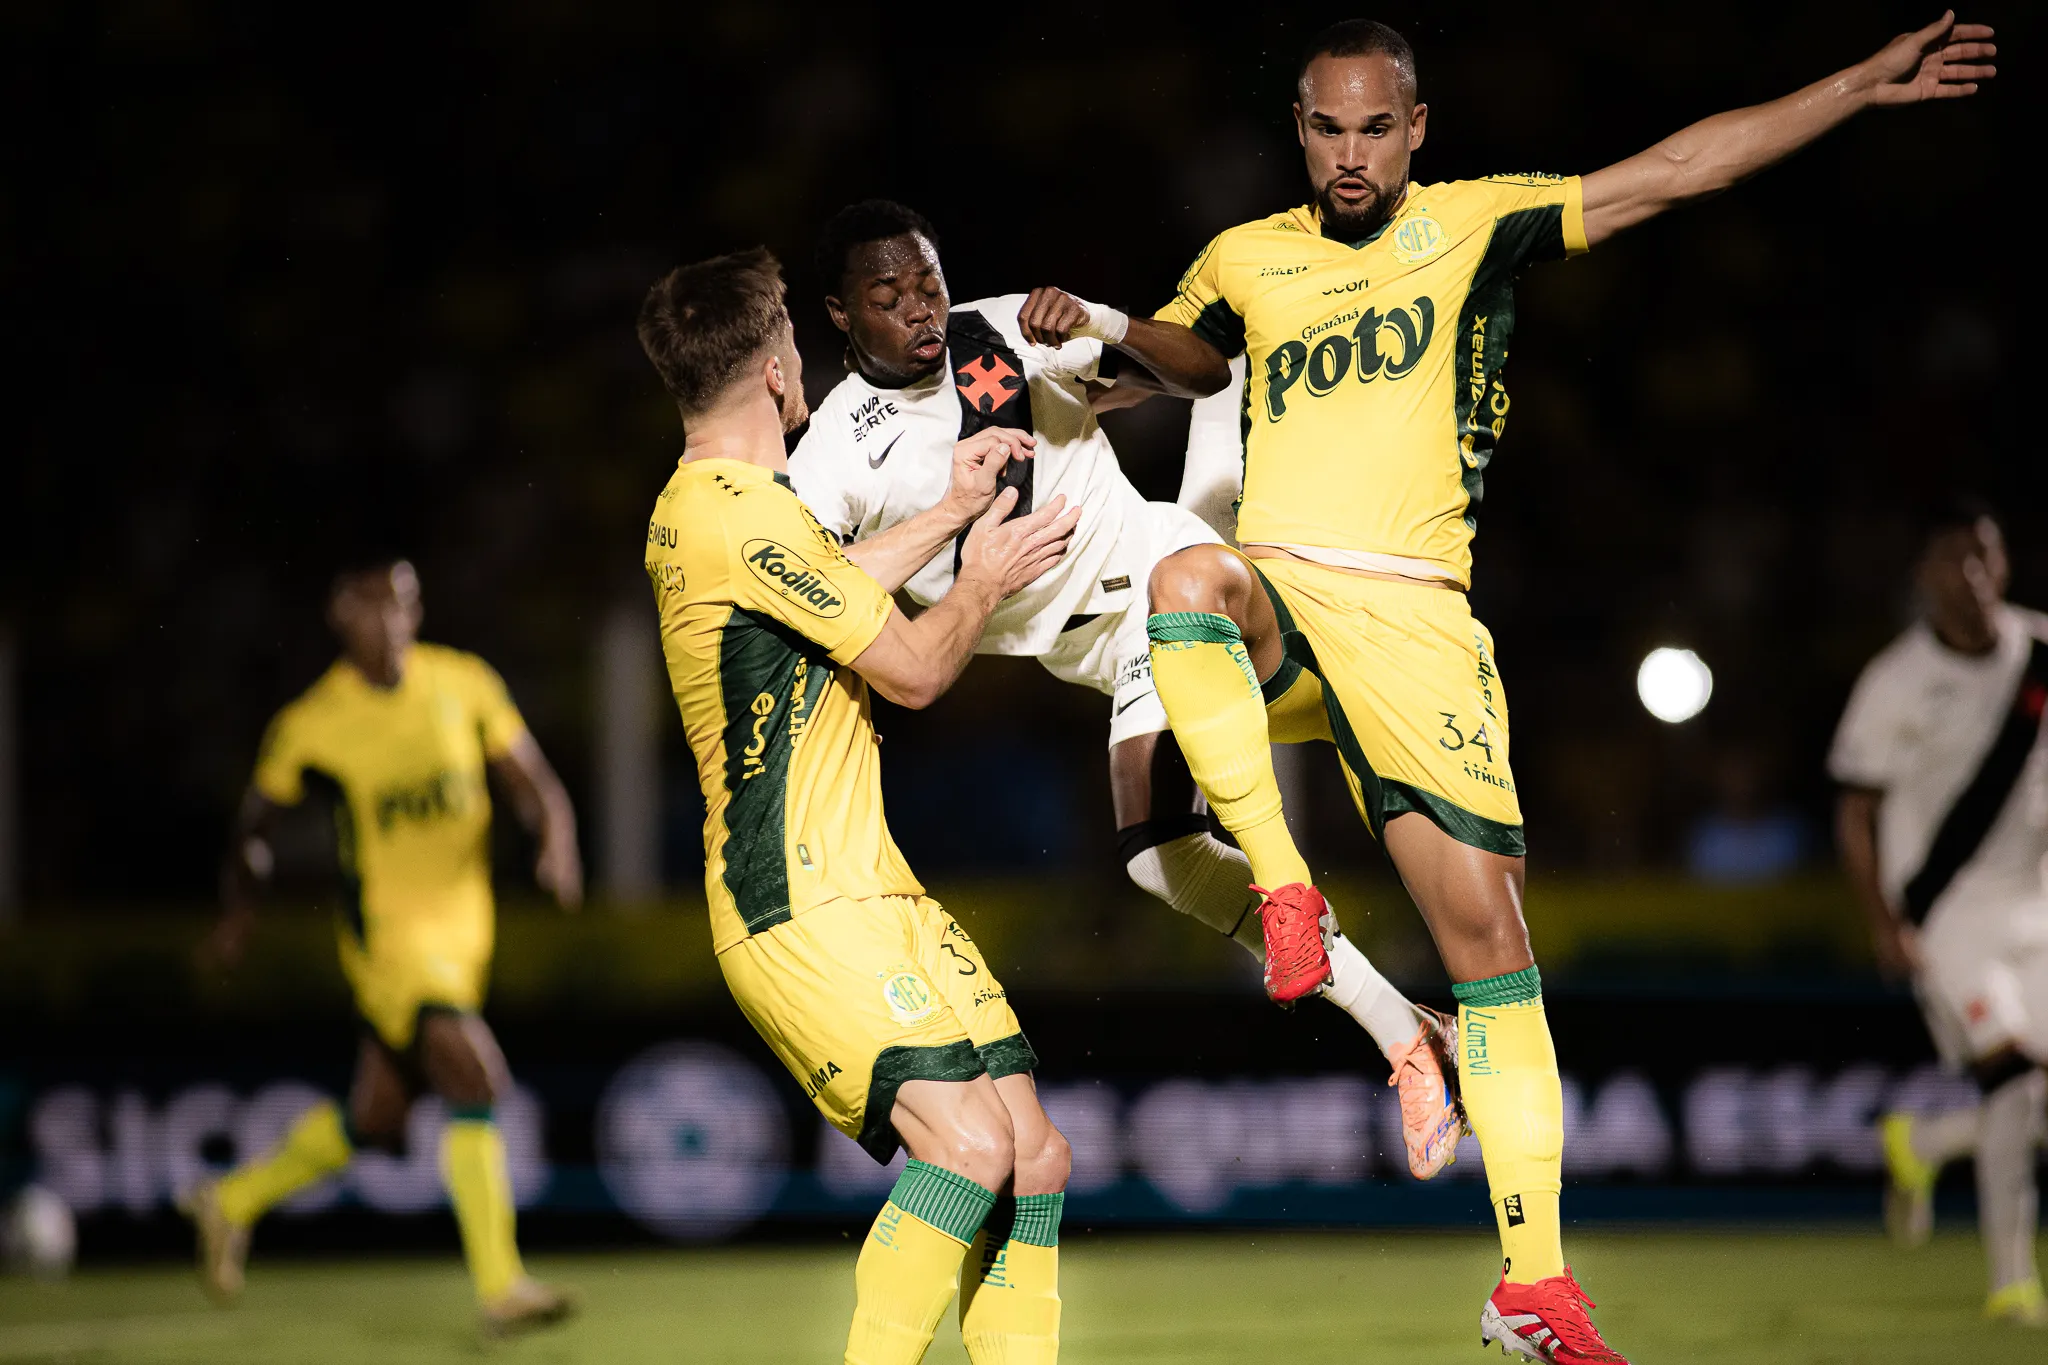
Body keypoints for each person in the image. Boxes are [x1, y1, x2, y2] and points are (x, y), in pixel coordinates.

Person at [1009, 13, 1997, 1361]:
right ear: (1297, 129)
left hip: (1420, 625)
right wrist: (1074, 344)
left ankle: (1532, 1283)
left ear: (1416, 127)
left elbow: (1681, 169)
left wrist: (1856, 85)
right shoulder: (1246, 255)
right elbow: (1174, 360)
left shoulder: (1475, 223)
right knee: (1188, 580)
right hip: (1285, 591)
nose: (1349, 153)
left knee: (1493, 954)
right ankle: (1286, 891)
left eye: (1375, 128)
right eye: (1325, 128)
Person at [788, 199, 1462, 1180]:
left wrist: (1106, 324)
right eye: (888, 298)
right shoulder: (832, 452)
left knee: (1218, 788)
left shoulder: (1004, 329)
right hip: (1096, 656)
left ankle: (1342, 899)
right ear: (840, 315)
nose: (921, 310)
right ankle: (1412, 1029)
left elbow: (1199, 373)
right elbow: (815, 588)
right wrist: (951, 521)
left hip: (1163, 578)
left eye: (928, 283)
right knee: (1160, 864)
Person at [636, 245, 1082, 1365]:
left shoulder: (727, 510)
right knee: (967, 1148)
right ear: (773, 367)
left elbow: (828, 584)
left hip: (870, 887)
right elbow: (916, 672)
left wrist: (950, 507)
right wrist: (981, 575)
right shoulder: (738, 518)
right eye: (793, 331)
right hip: (797, 900)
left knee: (1033, 1157)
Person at [185, 557, 584, 1337]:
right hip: (390, 941)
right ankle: (500, 1286)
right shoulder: (314, 722)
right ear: (341, 614)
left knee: (378, 1118)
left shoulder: (464, 682)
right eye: (375, 607)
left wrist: (556, 841)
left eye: (404, 604)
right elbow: (254, 829)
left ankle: (230, 1199)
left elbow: (534, 783)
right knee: (475, 1076)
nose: (393, 622)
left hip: (464, 937)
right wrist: (239, 913)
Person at [1833, 498, 2048, 1328]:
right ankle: (2013, 1281)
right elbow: (1855, 811)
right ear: (1925, 575)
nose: (1971, 574)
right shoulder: (1895, 681)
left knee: (2029, 1099)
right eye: (1952, 558)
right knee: (2013, 1079)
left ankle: (1920, 1142)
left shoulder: (2039, 650)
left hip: (2037, 904)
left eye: (1982, 555)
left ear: (2004, 562)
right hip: (1951, 916)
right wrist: (1883, 921)